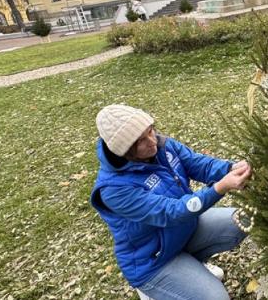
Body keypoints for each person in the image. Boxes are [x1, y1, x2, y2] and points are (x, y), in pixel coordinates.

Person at [90, 104, 252, 300]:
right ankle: (155, 290)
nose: (152, 141)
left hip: (183, 230)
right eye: (141, 140)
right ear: (125, 151)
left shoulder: (162, 146)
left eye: (150, 130)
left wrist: (231, 168)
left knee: (241, 220)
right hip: (154, 261)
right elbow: (171, 212)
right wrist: (220, 187)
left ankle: (192, 266)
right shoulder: (113, 190)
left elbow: (199, 164)